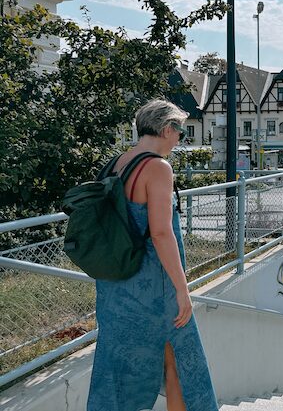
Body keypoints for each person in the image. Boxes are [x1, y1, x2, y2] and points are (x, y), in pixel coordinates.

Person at [87, 99, 218, 411]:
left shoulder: (116, 163)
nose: (179, 140)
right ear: (165, 129)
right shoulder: (157, 167)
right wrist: (182, 289)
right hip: (154, 288)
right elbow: (160, 233)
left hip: (115, 285)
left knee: (116, 368)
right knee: (181, 362)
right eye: (181, 133)